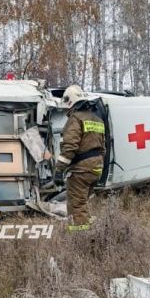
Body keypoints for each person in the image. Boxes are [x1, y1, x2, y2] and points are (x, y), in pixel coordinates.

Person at [52, 85, 106, 232]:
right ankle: (90, 233)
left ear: (70, 102)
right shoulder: (97, 119)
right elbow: (103, 148)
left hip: (81, 169)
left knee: (76, 205)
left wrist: (59, 170)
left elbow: (70, 147)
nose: (67, 112)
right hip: (96, 167)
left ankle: (80, 239)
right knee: (82, 203)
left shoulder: (75, 119)